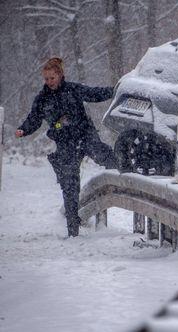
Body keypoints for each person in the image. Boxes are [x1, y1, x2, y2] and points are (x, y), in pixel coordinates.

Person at [15, 57, 118, 237]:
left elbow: (94, 94)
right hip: (65, 144)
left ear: (60, 75)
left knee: (104, 155)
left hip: (85, 135)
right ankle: (73, 230)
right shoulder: (42, 99)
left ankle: (126, 173)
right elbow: (34, 119)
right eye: (46, 79)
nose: (49, 82)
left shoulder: (73, 89)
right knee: (70, 185)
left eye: (52, 78)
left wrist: (115, 91)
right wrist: (23, 130)